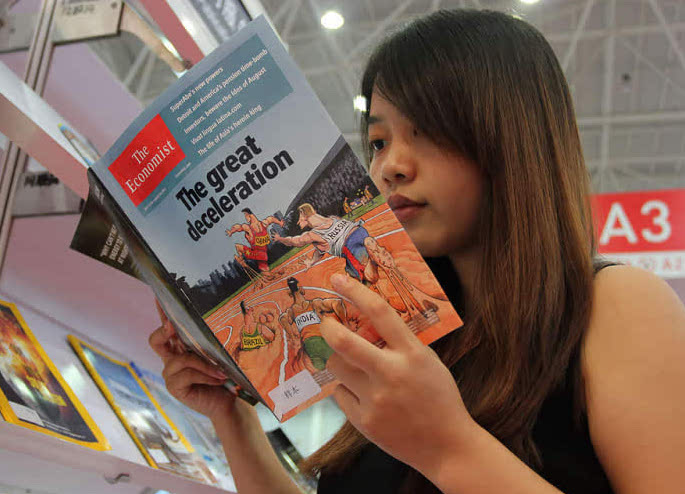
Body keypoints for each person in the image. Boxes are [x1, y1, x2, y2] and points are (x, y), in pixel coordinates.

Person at [149, 9, 685, 494]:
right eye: (379, 142)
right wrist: (232, 420)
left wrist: (447, 447)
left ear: (512, 138)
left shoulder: (616, 305)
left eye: (426, 131)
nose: (391, 166)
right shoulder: (410, 331)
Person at [279, 276, 349, 372]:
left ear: (289, 293)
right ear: (301, 289)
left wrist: (292, 336)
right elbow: (337, 303)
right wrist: (345, 323)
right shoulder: (314, 304)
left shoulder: (291, 311)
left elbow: (282, 319)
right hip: (323, 339)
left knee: (324, 372)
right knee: (343, 367)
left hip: (309, 347)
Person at [226, 207, 284, 278]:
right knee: (265, 271)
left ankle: (241, 260)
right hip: (261, 253)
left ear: (247, 215)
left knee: (238, 247)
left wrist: (231, 231)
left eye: (245, 215)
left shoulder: (249, 228)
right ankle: (241, 260)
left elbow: (238, 227)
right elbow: (271, 219)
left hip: (259, 253)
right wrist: (279, 222)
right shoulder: (263, 223)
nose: (246, 218)